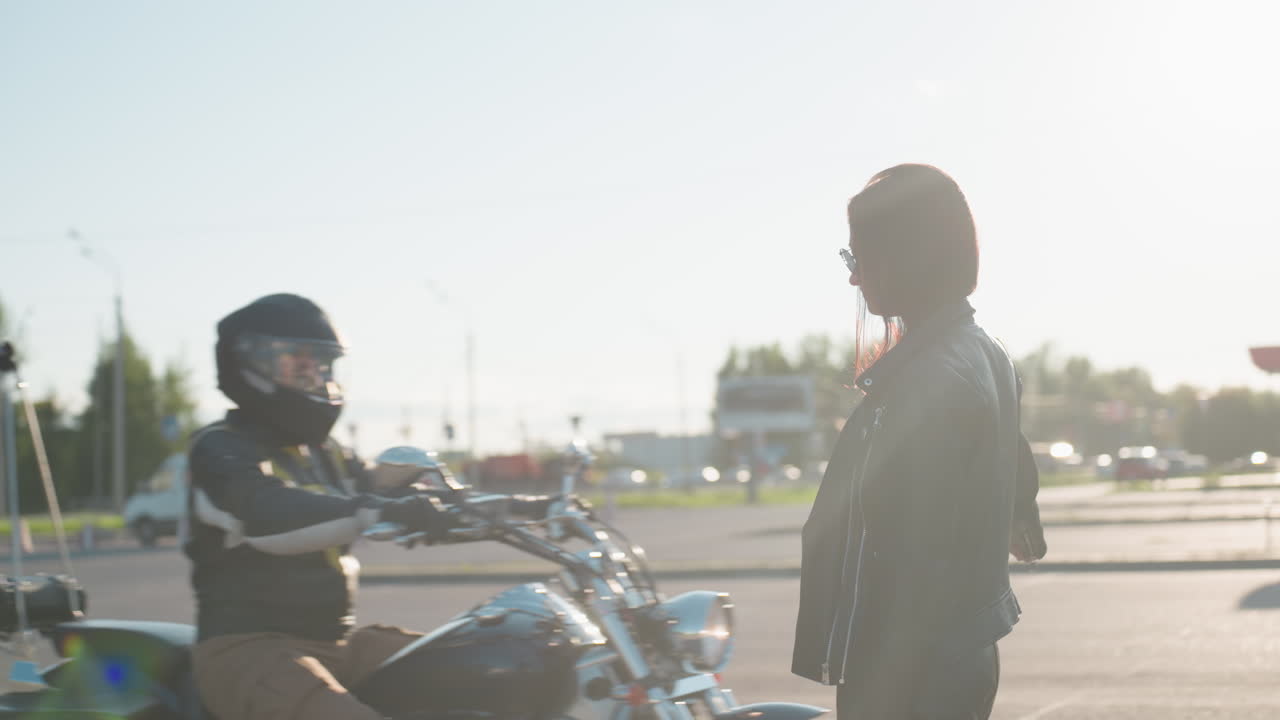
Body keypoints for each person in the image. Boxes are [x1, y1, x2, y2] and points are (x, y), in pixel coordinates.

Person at [791, 165, 1047, 719]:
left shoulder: (926, 380)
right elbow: (1012, 455)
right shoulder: (985, 350)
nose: (855, 279)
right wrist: (1020, 519)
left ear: (907, 256)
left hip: (907, 672)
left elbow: (894, 548)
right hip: (964, 649)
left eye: (860, 258)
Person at [185, 293, 484, 720]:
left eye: (323, 365)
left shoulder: (325, 453)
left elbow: (375, 486)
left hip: (338, 646)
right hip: (249, 651)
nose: (316, 376)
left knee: (487, 667)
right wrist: (377, 509)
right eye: (299, 364)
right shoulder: (220, 449)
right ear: (251, 364)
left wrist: (499, 505)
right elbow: (265, 513)